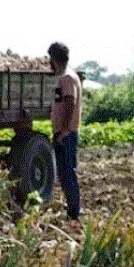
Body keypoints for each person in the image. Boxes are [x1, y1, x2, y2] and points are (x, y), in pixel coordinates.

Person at [48, 41, 82, 220]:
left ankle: (74, 211)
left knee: (67, 172)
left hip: (66, 134)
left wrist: (64, 131)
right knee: (65, 173)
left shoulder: (67, 78)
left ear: (54, 59)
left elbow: (70, 102)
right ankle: (73, 209)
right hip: (65, 132)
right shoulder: (67, 75)